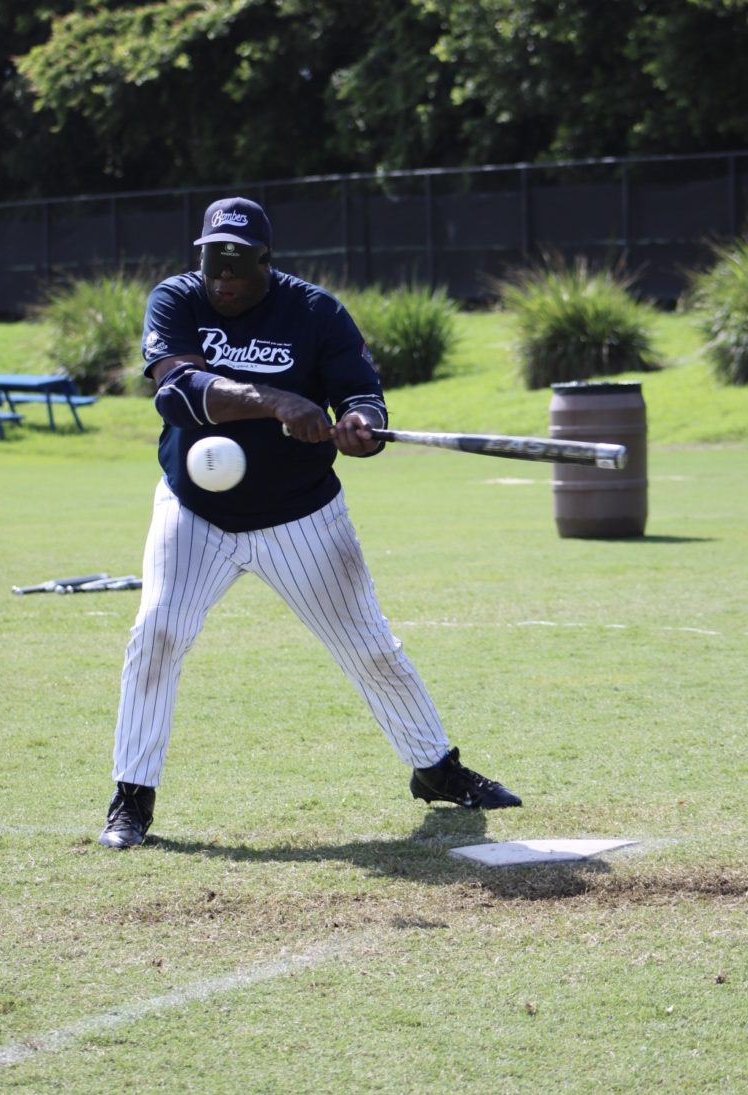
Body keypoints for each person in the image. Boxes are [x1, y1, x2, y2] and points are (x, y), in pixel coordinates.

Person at [98, 196, 522, 849]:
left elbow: (362, 396)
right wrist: (276, 402)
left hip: (301, 513)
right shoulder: (176, 299)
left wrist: (362, 427)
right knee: (156, 633)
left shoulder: (316, 312)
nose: (223, 276)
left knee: (371, 647)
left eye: (238, 262)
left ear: (266, 261)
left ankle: (437, 770)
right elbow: (176, 392)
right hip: (194, 511)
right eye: (213, 259)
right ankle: (131, 799)